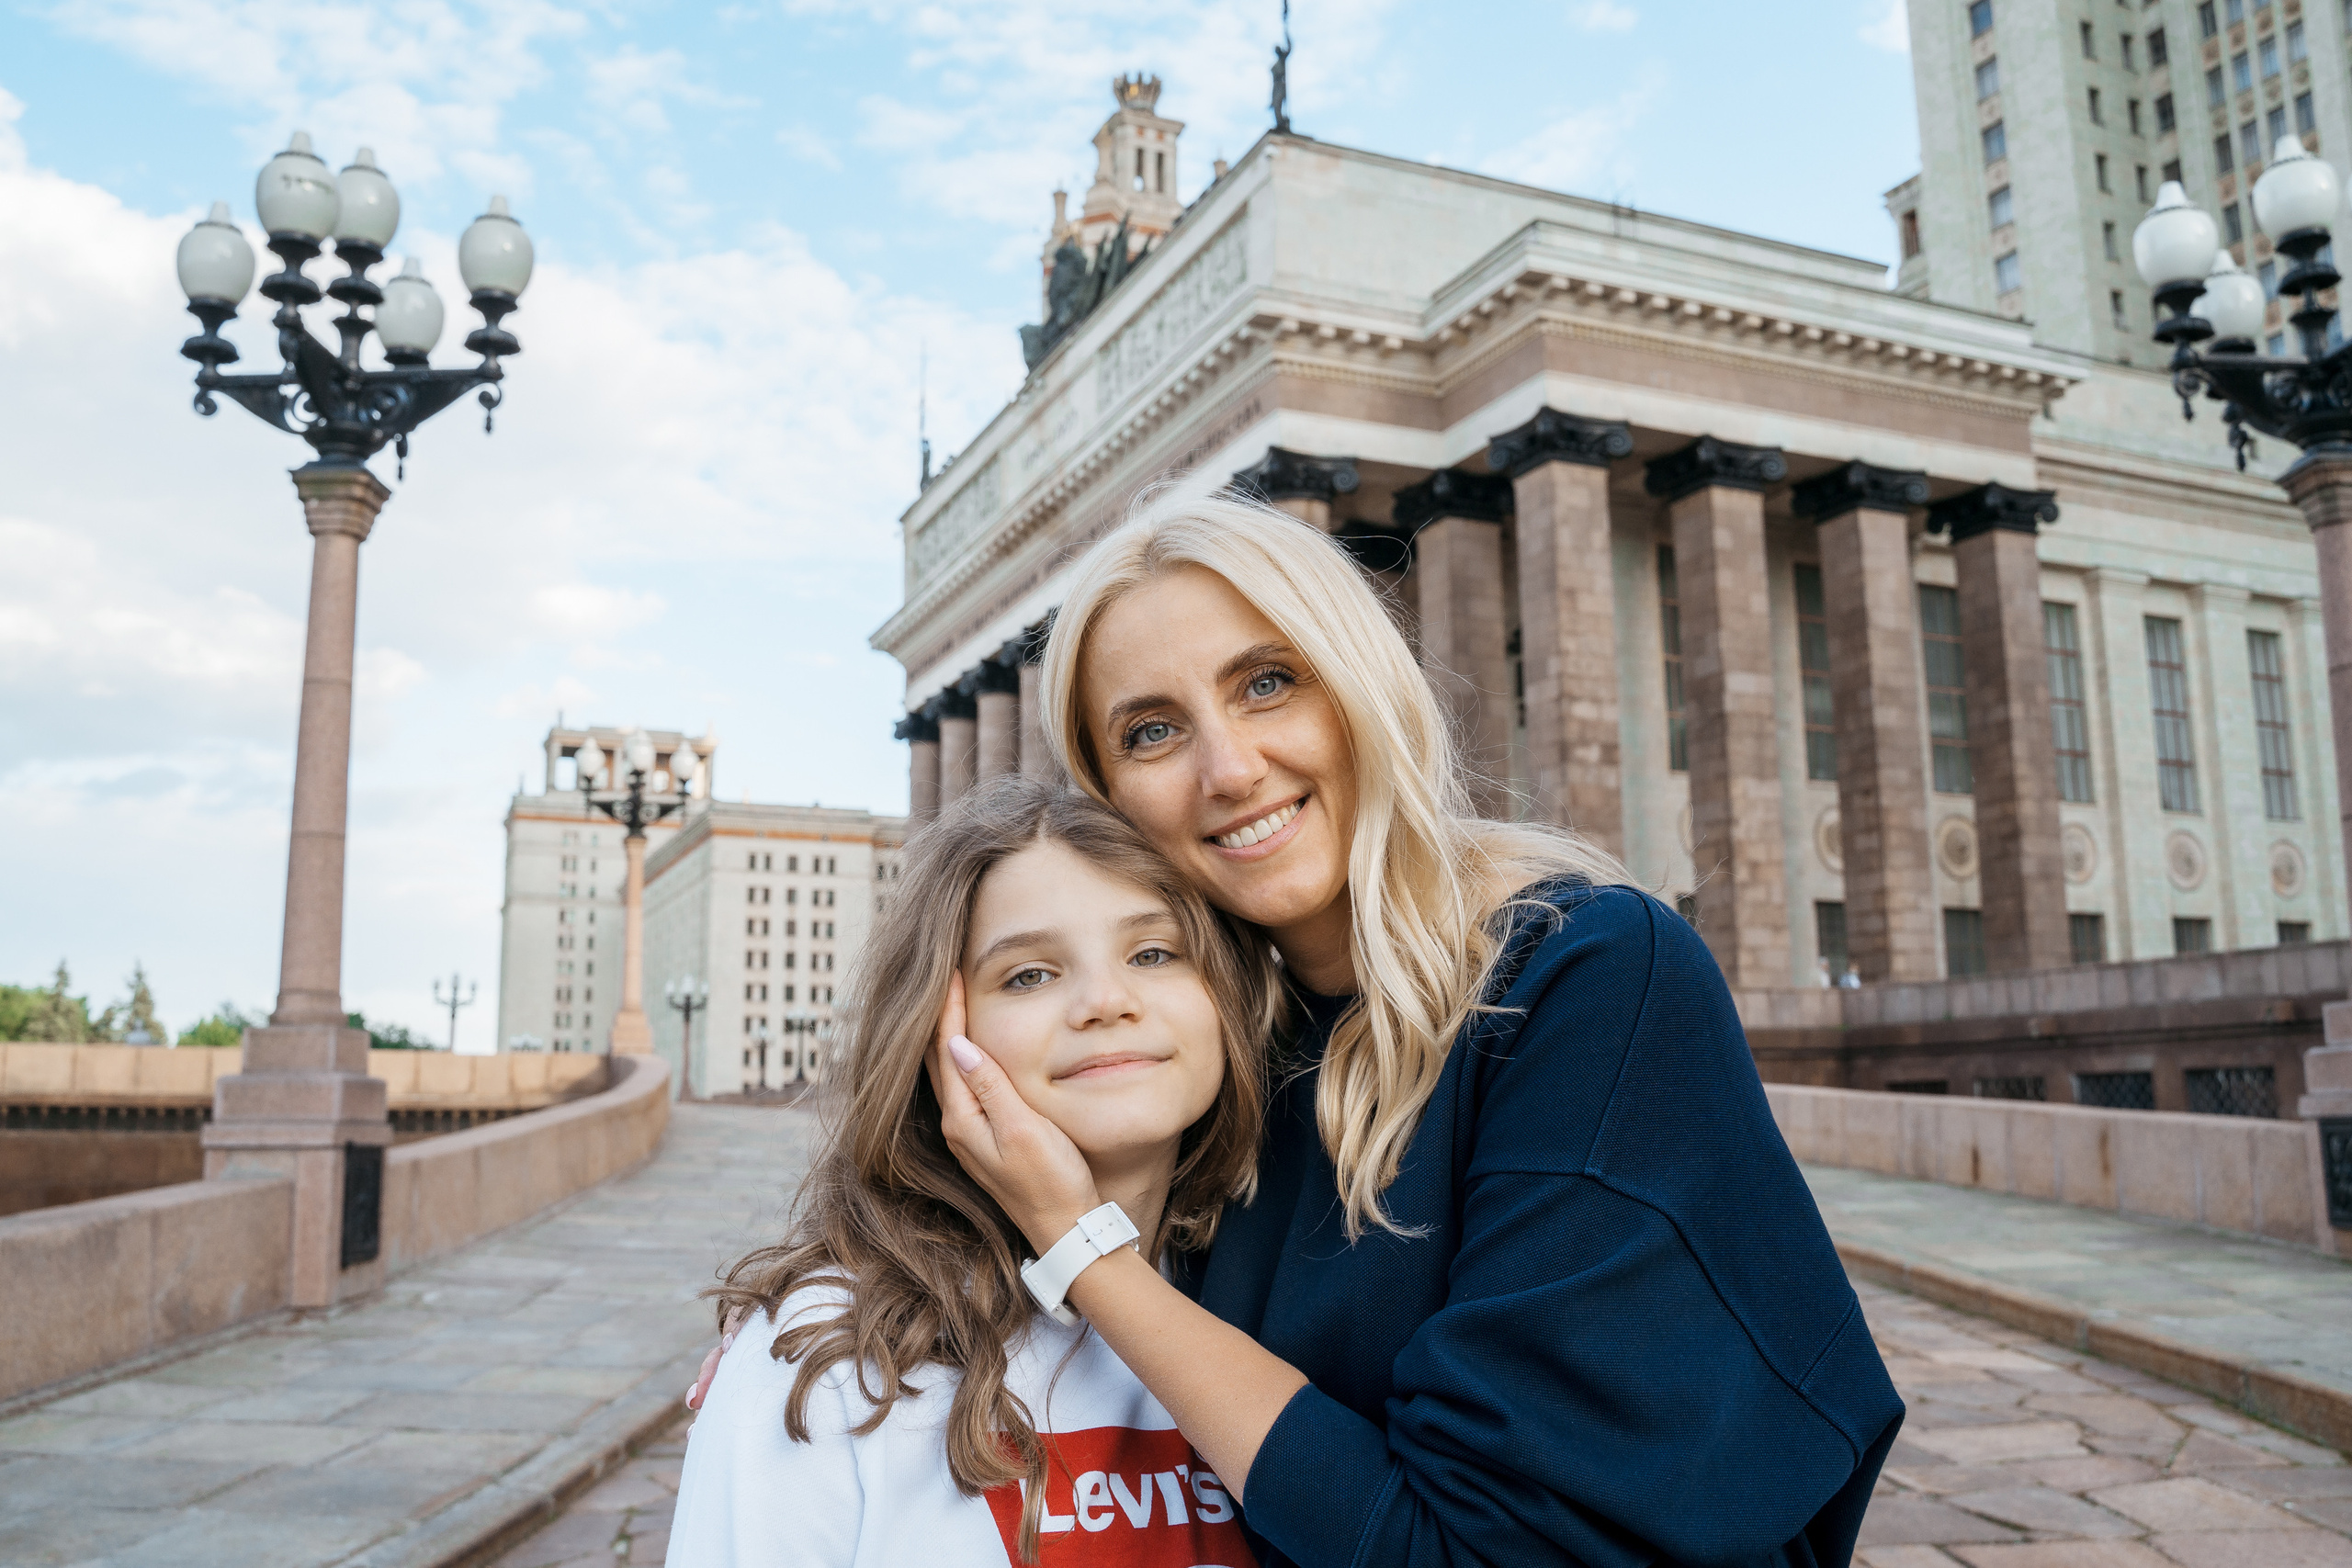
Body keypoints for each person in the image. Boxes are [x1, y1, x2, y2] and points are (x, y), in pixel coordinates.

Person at [695, 491, 1904, 1567]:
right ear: (1113, 805)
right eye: (1152, 729)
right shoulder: (1229, 1060)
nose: (1229, 766)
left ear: (1360, 686)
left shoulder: (1590, 977)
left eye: (1268, 679)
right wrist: (833, 1315)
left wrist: (1081, 1244)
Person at [668, 779, 1272, 1565]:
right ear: (937, 1033)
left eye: (1154, 952)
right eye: (1028, 974)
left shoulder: (1277, 1296)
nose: (1105, 1000)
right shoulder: (835, 1361)